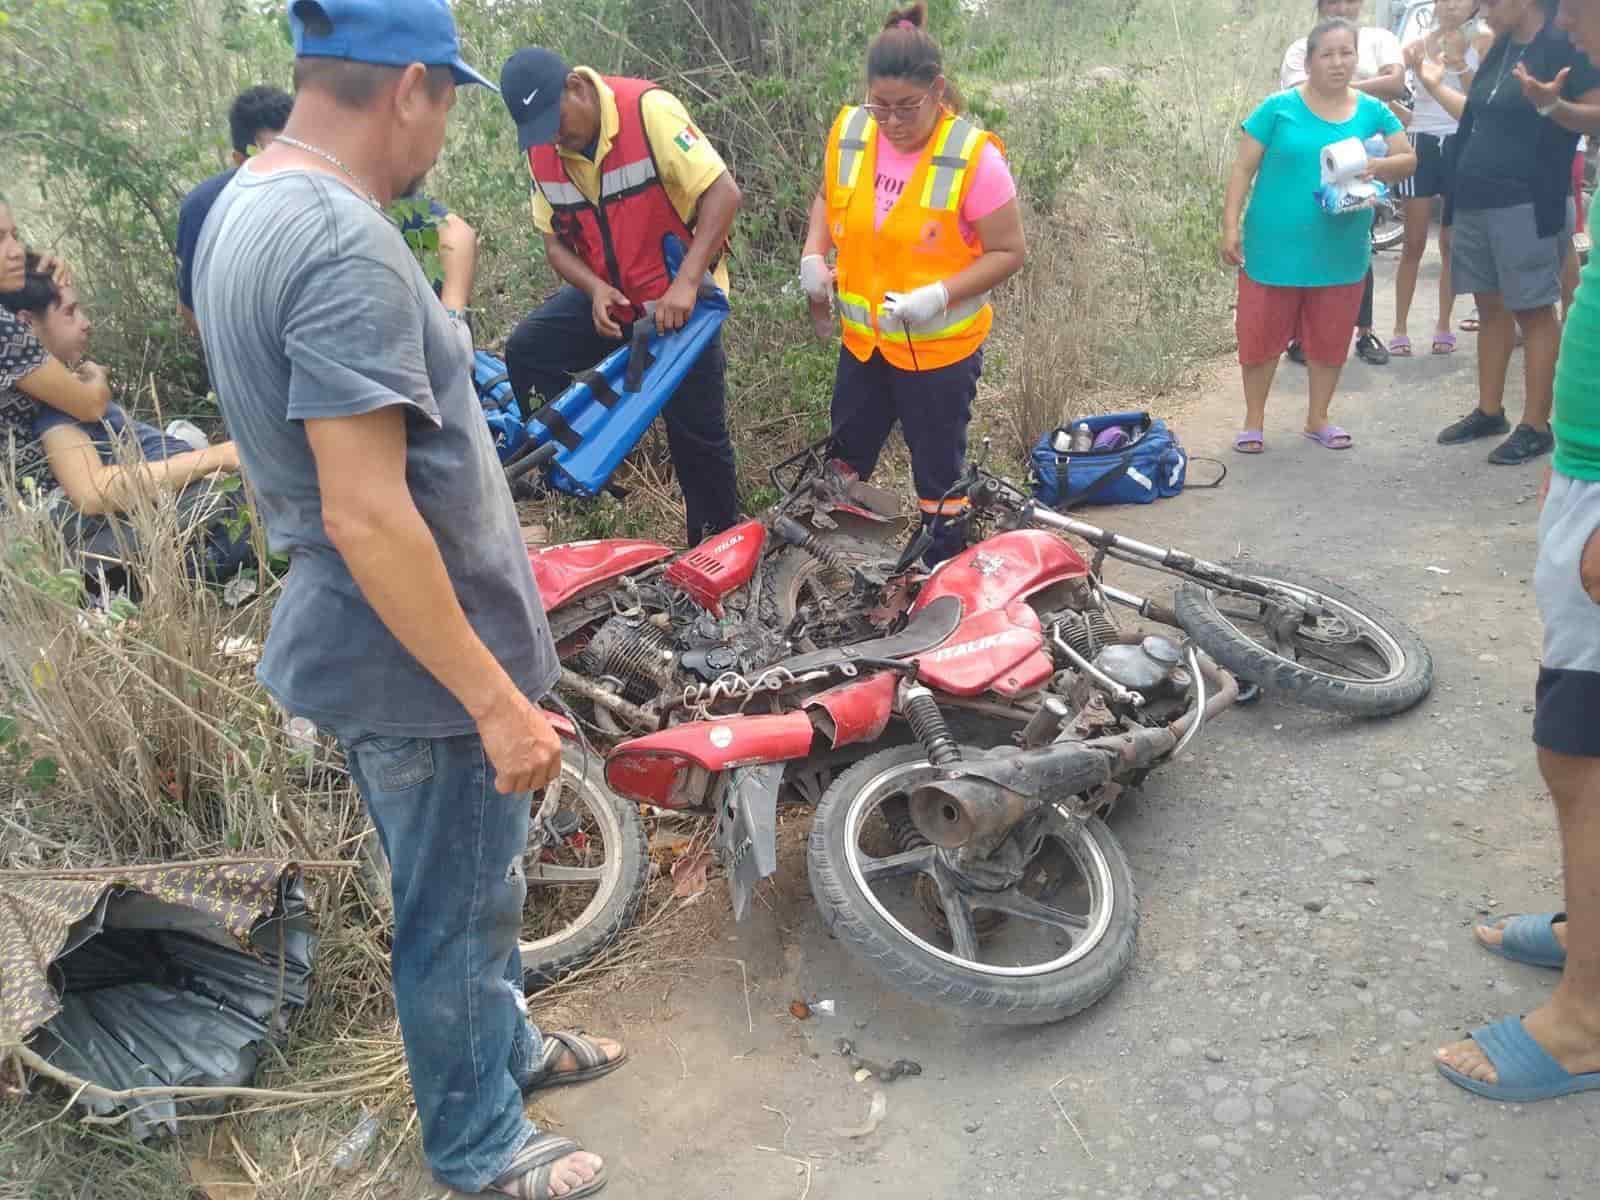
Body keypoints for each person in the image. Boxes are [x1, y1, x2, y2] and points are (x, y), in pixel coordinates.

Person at [190, 3, 619, 1197]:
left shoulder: (248, 204)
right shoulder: (336, 241)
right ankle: (479, 1145)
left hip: (389, 642)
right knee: (452, 911)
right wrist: (492, 701)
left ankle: (509, 1051)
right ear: (412, 88)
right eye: (448, 105)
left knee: (474, 890)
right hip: (417, 665)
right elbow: (366, 511)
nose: (443, 133)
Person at [1433, 0, 1600, 1114]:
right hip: (1585, 466)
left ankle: (1588, 1022)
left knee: (1586, 751)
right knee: (1571, 741)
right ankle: (1590, 928)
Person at [798, 3, 1025, 563]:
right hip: (865, 344)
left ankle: (941, 572)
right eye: (881, 106)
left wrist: (939, 295)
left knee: (938, 476)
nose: (893, 121)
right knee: (843, 462)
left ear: (938, 90)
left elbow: (1010, 251)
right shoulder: (852, 130)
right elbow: (830, 198)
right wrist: (813, 253)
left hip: (938, 353)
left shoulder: (972, 158)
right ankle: (833, 566)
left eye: (907, 107)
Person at [499, 46, 742, 547]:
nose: (553, 136)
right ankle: (582, 478)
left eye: (555, 119)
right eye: (540, 129)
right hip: (613, 296)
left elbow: (724, 194)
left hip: (679, 302)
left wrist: (688, 282)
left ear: (576, 86)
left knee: (697, 434)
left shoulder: (647, 111)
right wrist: (592, 289)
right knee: (528, 351)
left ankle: (717, 545)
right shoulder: (543, 150)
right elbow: (554, 242)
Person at [1419, 0, 1600, 465]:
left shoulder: (1566, 42)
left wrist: (1552, 105)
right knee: (1490, 304)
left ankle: (1536, 426)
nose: (1484, 8)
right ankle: (1490, 410)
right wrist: (1437, 85)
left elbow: (1594, 113)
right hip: (1479, 197)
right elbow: (1478, 114)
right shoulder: (1500, 46)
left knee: (1535, 309)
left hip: (1528, 198)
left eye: (1492, 1)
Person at [1222, 18, 1414, 454]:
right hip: (1274, 245)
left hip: (1340, 244)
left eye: (1346, 53)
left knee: (1330, 336)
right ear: (1308, 61)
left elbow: (1408, 159)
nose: (1337, 62)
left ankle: (1318, 418)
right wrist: (1230, 224)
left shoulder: (1372, 110)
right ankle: (1254, 421)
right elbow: (1242, 170)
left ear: (1357, 59)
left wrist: (1377, 165)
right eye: (1327, 54)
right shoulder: (1277, 108)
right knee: (1260, 335)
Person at [0, 257, 251, 580]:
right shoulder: (54, 406)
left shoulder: (63, 389)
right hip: (153, 527)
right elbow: (93, 490)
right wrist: (217, 457)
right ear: (26, 323)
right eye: (70, 312)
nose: (86, 323)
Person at [176, 85, 479, 337]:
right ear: (240, 161)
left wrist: (452, 322)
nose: (290, 171)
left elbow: (456, 233)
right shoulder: (205, 209)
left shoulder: (340, 180)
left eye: (296, 152)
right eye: (272, 158)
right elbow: (191, 309)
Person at [1281, 0, 1409, 366]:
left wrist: (1341, 82)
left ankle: (1364, 333)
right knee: (1308, 244)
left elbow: (1396, 83)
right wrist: (1366, 87)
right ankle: (1301, 336)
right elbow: (1304, 95)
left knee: (1358, 247)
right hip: (1311, 163)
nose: (1342, 5)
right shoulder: (1298, 48)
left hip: (1362, 168)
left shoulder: (1381, 38)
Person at [1392, 0, 1491, 356]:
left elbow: (1483, 99)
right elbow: (1388, 87)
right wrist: (1400, 116)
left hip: (1462, 142)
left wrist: (1460, 62)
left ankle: (1443, 325)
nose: (1452, 4)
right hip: (1421, 142)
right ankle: (1399, 328)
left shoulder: (1484, 41)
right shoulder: (1417, 45)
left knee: (1451, 244)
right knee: (1413, 242)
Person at [0, 200, 110, 500]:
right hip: (34, 509)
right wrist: (95, 377)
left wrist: (36, 270)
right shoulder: (4, 327)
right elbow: (90, 406)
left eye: (14, 235)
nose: (16, 250)